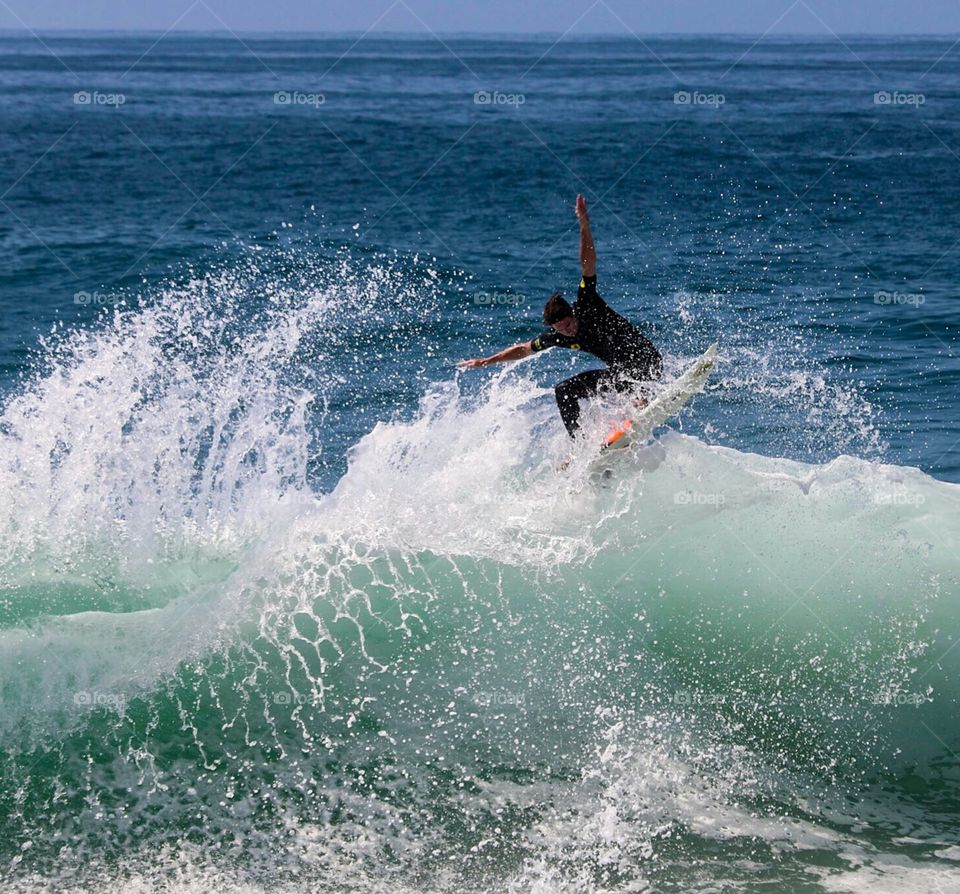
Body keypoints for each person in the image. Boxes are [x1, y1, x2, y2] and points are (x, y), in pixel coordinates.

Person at [458, 194, 662, 438]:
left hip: (647, 364)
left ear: (573, 314)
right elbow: (524, 348)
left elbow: (588, 264)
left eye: (568, 324)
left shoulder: (587, 304)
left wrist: (584, 225)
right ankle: (581, 445)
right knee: (564, 390)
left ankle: (641, 398)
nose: (567, 331)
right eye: (561, 328)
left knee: (623, 376)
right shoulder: (558, 336)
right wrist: (486, 361)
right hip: (622, 375)